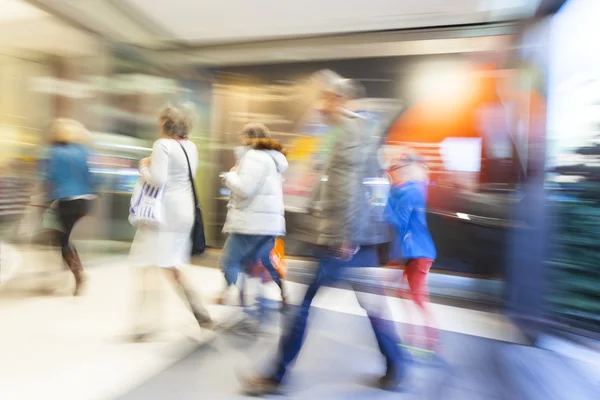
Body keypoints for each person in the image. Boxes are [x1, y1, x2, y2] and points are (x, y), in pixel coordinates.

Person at [242, 73, 408, 395]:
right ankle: (397, 366)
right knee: (372, 307)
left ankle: (276, 377)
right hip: (354, 239)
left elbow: (350, 190)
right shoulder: (352, 131)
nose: (321, 105)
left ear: (341, 101)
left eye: (327, 98)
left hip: (342, 241)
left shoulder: (348, 130)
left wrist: (345, 237)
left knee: (303, 309)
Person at [129, 105, 212, 340]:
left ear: (166, 122)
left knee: (146, 264)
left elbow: (159, 180)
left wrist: (143, 167)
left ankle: (146, 324)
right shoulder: (190, 147)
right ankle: (200, 314)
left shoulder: (162, 145)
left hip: (163, 213)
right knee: (172, 265)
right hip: (184, 211)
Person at [217, 122, 288, 309]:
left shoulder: (254, 156)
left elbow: (245, 189)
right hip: (270, 223)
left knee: (229, 260)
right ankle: (283, 295)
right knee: (263, 261)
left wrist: (230, 176)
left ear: (250, 138)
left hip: (250, 222)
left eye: (244, 137)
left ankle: (226, 294)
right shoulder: (273, 159)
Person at [384, 151, 439, 351]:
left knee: (417, 297)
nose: (394, 173)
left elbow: (399, 221)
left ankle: (429, 340)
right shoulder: (405, 190)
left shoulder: (413, 191)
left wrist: (384, 201)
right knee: (405, 293)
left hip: (418, 252)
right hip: (413, 252)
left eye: (396, 169)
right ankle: (412, 337)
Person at [44, 119, 96, 296]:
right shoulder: (84, 151)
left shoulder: (53, 152)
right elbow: (92, 176)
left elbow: (49, 177)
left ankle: (78, 275)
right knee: (64, 238)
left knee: (62, 241)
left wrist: (44, 201)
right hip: (84, 201)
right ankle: (73, 272)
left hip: (66, 200)